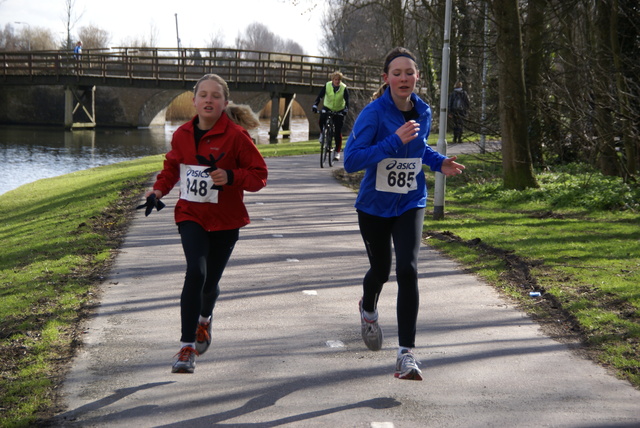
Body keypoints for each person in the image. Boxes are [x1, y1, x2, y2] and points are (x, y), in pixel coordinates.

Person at [344, 47, 465, 381]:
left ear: (417, 78)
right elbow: (351, 160)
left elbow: (419, 147)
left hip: (411, 201)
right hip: (374, 207)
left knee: (408, 269)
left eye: (409, 72)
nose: (403, 78)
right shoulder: (373, 114)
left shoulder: (423, 111)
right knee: (381, 271)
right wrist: (392, 142)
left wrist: (439, 162)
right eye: (396, 73)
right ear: (386, 79)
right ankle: (368, 309)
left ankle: (405, 355)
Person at [142, 74, 268, 374]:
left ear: (225, 102)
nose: (208, 100)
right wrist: (158, 190)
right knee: (195, 273)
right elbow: (172, 168)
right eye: (203, 95)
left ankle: (205, 319)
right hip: (191, 215)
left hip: (226, 220)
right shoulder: (182, 135)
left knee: (209, 284)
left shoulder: (237, 136)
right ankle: (186, 348)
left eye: (215, 96)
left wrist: (232, 177)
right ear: (194, 100)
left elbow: (259, 175)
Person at [312, 71, 349, 161]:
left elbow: (347, 101)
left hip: (339, 110)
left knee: (337, 132)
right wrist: (315, 105)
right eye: (335, 80)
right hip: (328, 107)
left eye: (339, 80)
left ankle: (337, 152)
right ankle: (322, 133)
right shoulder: (327, 85)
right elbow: (320, 96)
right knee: (322, 119)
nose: (337, 81)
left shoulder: (344, 88)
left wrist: (345, 110)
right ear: (332, 79)